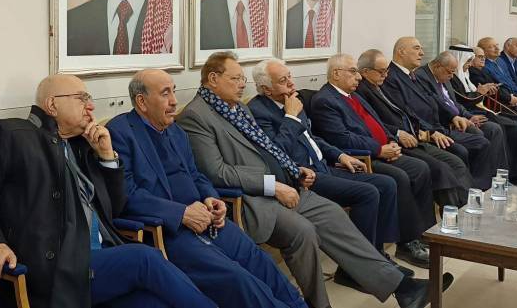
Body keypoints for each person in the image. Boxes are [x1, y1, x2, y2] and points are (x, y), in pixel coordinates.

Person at [177, 51, 444, 308]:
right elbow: (217, 172)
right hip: (252, 199)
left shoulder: (237, 109)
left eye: (242, 79)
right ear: (213, 79)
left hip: (286, 183)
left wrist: (294, 169)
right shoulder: (196, 117)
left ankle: (403, 289)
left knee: (333, 215)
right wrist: (273, 185)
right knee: (303, 231)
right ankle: (319, 304)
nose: (242, 85)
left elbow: (267, 149)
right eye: (235, 78)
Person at [0, 75, 214, 308]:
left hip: (99, 260)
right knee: (145, 257)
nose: (91, 106)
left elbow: (116, 209)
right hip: (56, 267)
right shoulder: (10, 134)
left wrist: (107, 157)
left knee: (155, 303)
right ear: (52, 105)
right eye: (82, 98)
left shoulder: (82, 145)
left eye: (90, 99)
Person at [107, 69, 307, 308]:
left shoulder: (175, 131)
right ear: (141, 101)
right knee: (236, 278)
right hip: (169, 230)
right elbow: (128, 196)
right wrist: (182, 213)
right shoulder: (120, 133)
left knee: (258, 259)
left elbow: (196, 175)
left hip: (207, 217)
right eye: (165, 93)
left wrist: (212, 198)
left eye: (173, 91)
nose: (174, 101)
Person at [249, 58, 425, 268]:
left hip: (325, 166)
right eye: (283, 80)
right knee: (368, 193)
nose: (291, 83)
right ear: (266, 89)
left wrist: (341, 156)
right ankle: (359, 267)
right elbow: (276, 151)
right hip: (304, 176)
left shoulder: (292, 101)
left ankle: (376, 254)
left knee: (386, 184)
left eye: (290, 77)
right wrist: (291, 117)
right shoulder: (259, 111)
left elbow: (312, 138)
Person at [355, 48, 473, 207]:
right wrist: (397, 135)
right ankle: (453, 213)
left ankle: (465, 206)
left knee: (455, 162)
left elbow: (406, 111)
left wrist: (428, 132)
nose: (385, 75)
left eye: (386, 71)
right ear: (365, 72)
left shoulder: (379, 84)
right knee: (440, 168)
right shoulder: (362, 91)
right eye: (381, 72)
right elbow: (375, 124)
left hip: (417, 134)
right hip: (400, 142)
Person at [381, 37, 500, 190]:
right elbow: (405, 111)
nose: (422, 53)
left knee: (481, 141)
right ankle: (471, 192)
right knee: (463, 149)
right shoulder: (391, 77)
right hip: (422, 132)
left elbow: (433, 98)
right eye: (417, 48)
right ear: (401, 52)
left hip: (437, 126)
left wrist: (453, 116)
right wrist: (431, 132)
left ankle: (477, 188)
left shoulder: (411, 74)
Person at [447, 46, 517, 189]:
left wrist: (483, 91)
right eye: (468, 61)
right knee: (509, 127)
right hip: (472, 112)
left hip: (477, 110)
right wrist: (480, 92)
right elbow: (463, 100)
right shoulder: (453, 78)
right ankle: (505, 175)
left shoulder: (465, 74)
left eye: (470, 61)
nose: (469, 64)